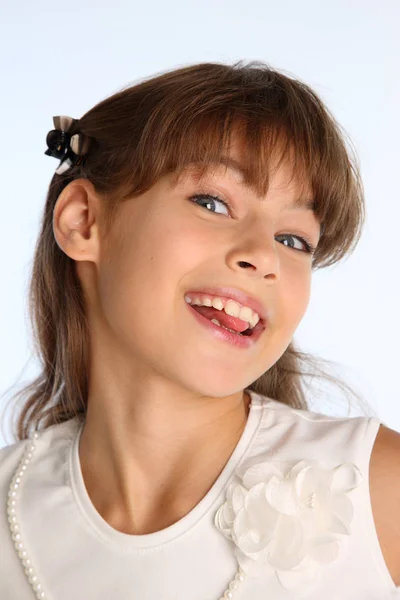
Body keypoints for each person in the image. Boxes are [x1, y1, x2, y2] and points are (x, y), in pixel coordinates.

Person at [1, 60, 399, 600]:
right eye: (212, 203)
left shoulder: (379, 493)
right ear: (83, 222)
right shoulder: (9, 509)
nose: (263, 256)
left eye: (295, 240)